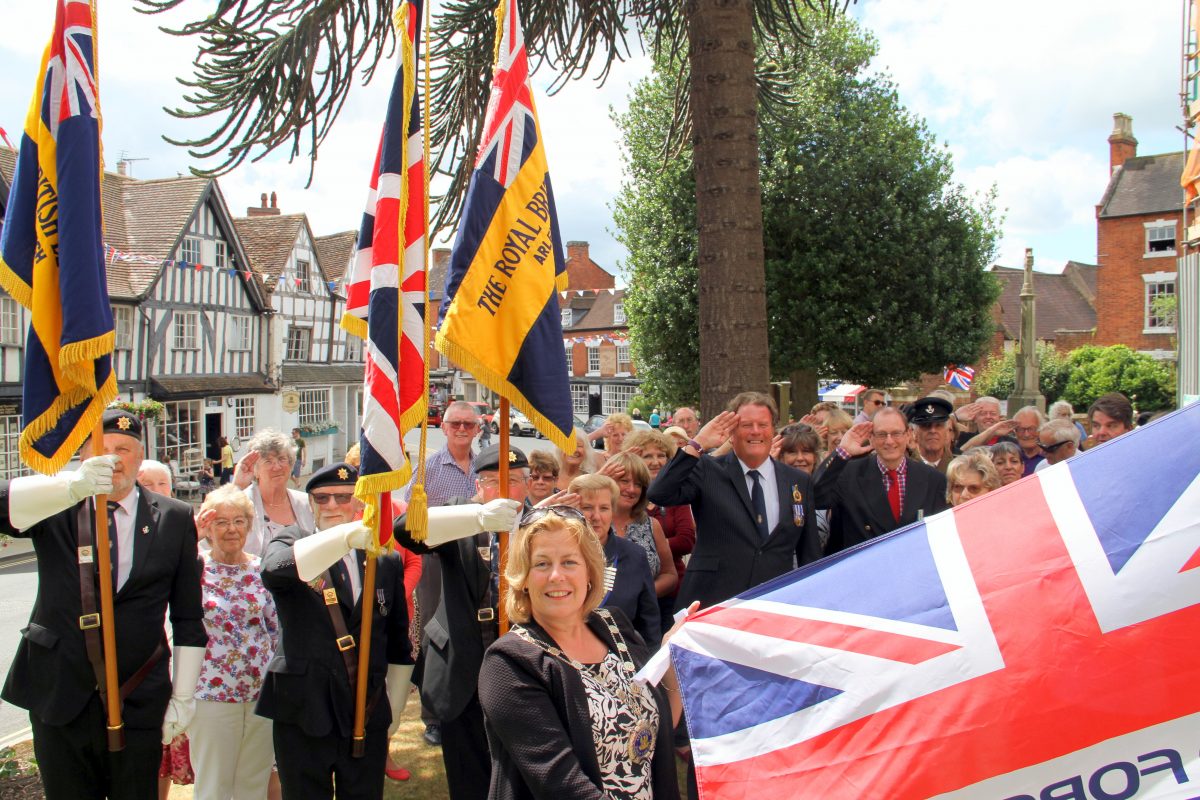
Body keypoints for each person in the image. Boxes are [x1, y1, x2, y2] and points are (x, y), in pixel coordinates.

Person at [0, 409, 206, 800]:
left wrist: (183, 694)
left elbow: (188, 616)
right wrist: (69, 488)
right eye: (101, 448)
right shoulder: (56, 506)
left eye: (124, 449)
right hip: (59, 691)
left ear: (140, 457)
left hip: (138, 695)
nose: (113, 457)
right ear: (83, 458)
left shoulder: (175, 518)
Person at [478, 507, 686, 800]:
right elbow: (561, 784)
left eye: (569, 562)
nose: (556, 576)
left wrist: (670, 659)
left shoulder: (615, 627)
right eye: (541, 564)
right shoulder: (509, 664)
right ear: (522, 577)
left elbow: (654, 730)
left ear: (589, 571)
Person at [256, 463, 416, 799]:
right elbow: (273, 571)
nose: (331, 506)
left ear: (359, 505)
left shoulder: (382, 561)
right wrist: (338, 539)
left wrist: (395, 709)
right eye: (322, 497)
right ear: (310, 504)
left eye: (343, 498)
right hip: (304, 711)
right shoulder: (294, 540)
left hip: (365, 710)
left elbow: (398, 645)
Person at [390, 445, 528, 800]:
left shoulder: (541, 524)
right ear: (478, 486)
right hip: (462, 662)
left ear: (526, 485)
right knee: (467, 775)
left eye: (512, 480)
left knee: (519, 773)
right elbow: (407, 530)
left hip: (521, 663)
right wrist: (477, 518)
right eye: (491, 481)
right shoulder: (458, 514)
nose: (502, 490)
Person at [649, 391, 823, 611]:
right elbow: (659, 493)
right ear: (731, 431)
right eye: (747, 425)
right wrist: (698, 443)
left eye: (763, 424)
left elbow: (810, 555)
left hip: (773, 606)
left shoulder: (797, 481)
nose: (756, 432)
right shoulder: (708, 469)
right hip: (713, 604)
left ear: (773, 430)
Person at [190, 486, 278, 800]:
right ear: (208, 529)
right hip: (210, 694)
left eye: (239, 521)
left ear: (249, 525)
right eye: (221, 522)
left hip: (260, 692)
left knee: (253, 783)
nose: (231, 529)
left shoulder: (262, 569)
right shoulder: (193, 569)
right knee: (214, 784)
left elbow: (276, 630)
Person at [405, 399, 481, 747]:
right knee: (435, 634)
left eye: (469, 424)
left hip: (479, 562)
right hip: (438, 562)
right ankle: (433, 715)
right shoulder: (428, 468)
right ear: (444, 427)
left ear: (479, 428)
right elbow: (409, 519)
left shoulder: (486, 464)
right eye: (456, 424)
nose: (462, 430)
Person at [813, 407, 949, 555]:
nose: (889, 441)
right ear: (871, 437)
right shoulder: (849, 475)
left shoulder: (934, 480)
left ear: (909, 434)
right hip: (863, 569)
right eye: (881, 434)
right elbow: (817, 497)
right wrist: (843, 451)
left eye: (896, 433)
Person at [570, 474, 662, 646]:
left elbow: (649, 625)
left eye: (604, 508)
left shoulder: (635, 556)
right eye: (587, 507)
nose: (596, 516)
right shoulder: (558, 556)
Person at [623, 429, 696, 632]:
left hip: (669, 593)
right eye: (648, 456)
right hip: (625, 596)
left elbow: (686, 540)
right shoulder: (625, 496)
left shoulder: (676, 495)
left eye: (661, 455)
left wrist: (644, 548)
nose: (656, 461)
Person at [606, 451, 678, 602]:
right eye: (624, 481)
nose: (631, 489)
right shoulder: (592, 522)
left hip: (642, 616)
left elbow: (670, 575)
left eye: (638, 484)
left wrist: (644, 593)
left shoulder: (651, 525)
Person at [233, 429, 314, 557]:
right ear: (255, 470)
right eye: (268, 461)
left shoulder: (307, 503)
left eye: (282, 459)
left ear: (291, 464)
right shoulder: (239, 503)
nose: (277, 467)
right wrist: (236, 487)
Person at [907, 396, 955, 473]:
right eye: (926, 426)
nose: (933, 431)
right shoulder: (904, 466)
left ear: (946, 432)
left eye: (938, 425)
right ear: (914, 432)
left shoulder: (959, 467)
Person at [1011, 406, 1048, 476]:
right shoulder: (1009, 456)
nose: (1026, 434)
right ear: (1015, 431)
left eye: (1031, 429)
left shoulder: (1049, 456)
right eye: (1021, 429)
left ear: (1040, 429)